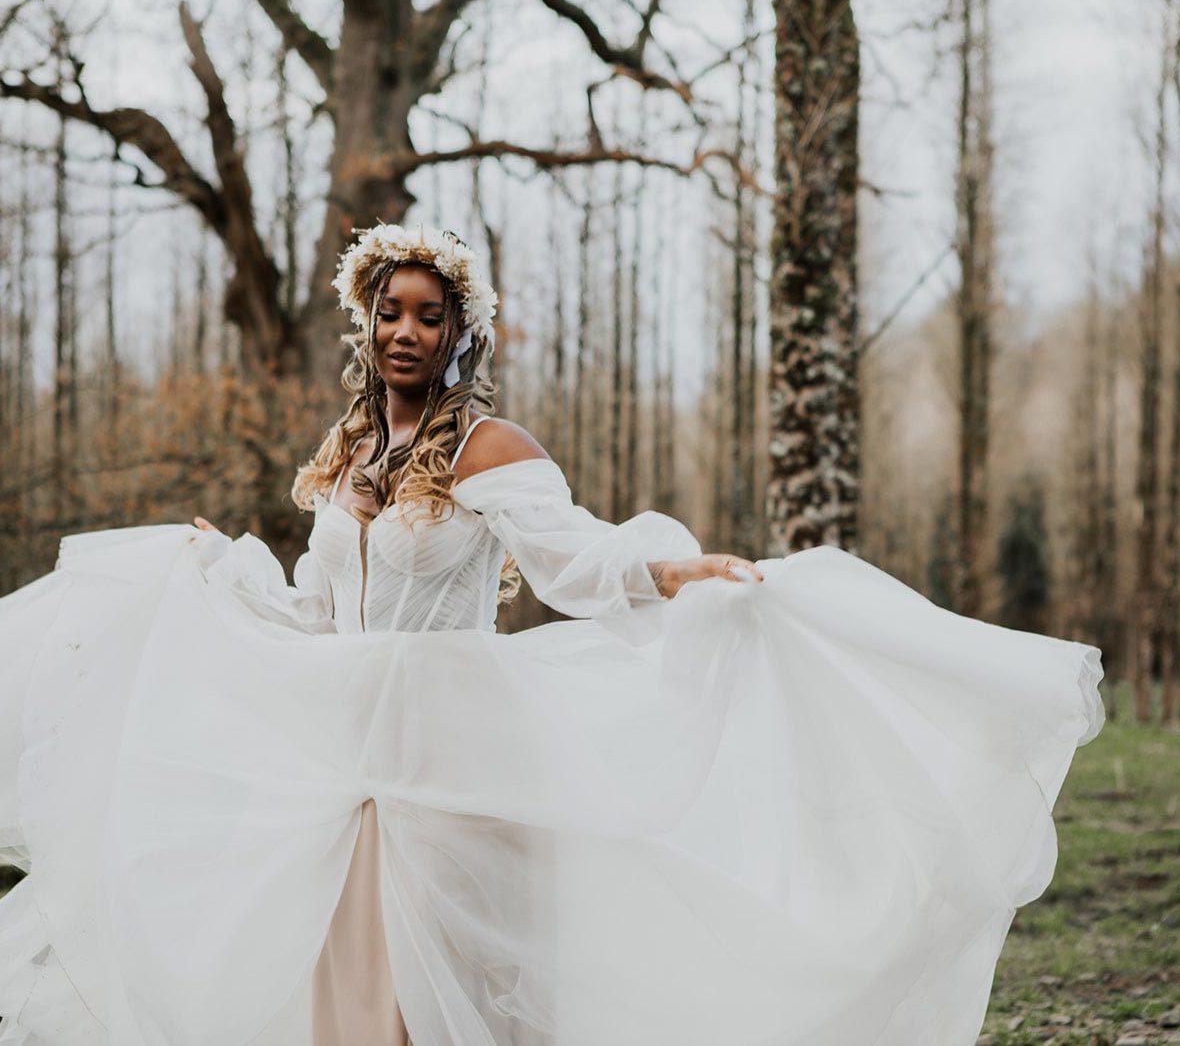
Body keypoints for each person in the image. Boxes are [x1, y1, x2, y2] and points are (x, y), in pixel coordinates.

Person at [0, 224, 1104, 1046]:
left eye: (429, 314)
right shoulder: (341, 456)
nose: (406, 331)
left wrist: (671, 569)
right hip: (347, 769)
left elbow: (576, 558)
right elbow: (314, 610)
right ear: (365, 319)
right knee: (348, 1003)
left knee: (457, 1001)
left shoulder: (487, 447)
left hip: (456, 758)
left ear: (459, 331)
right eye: (391, 310)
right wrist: (219, 574)